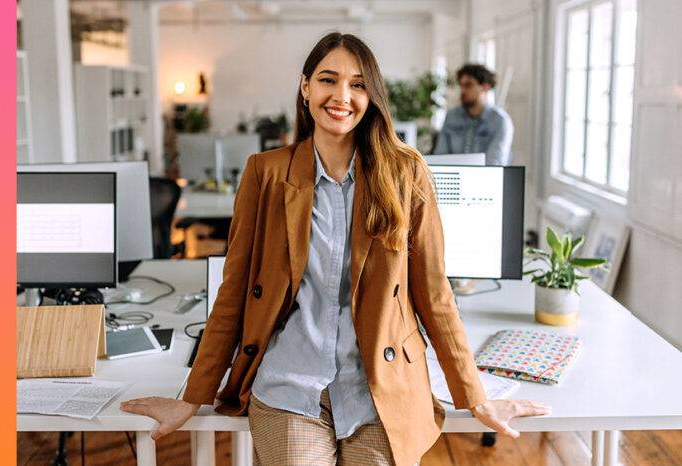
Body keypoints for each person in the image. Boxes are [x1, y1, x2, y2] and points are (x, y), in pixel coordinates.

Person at [120, 33, 549, 466]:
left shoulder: (406, 173)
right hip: (291, 388)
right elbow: (234, 293)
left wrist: (475, 397)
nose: (342, 95)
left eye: (359, 84)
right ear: (306, 87)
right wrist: (193, 396)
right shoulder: (265, 173)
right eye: (328, 79)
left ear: (371, 95)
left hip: (379, 389)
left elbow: (435, 294)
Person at [434, 64, 514, 166]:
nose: (463, 91)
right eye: (461, 85)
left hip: (485, 180)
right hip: (453, 179)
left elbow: (494, 165)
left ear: (484, 87)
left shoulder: (500, 121)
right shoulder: (451, 117)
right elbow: (440, 158)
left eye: (468, 85)